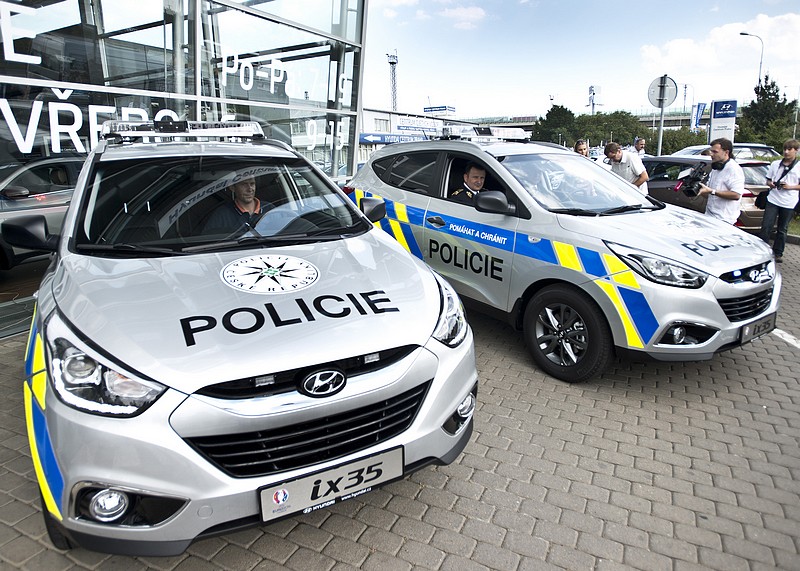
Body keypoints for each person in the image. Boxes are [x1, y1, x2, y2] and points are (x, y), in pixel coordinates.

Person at [757, 139, 799, 263]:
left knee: (782, 229)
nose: (786, 152)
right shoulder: (775, 164)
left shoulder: (798, 166)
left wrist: (790, 187)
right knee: (766, 226)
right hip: (773, 199)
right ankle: (762, 251)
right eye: (784, 149)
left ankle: (778, 253)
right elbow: (768, 180)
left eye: (789, 150)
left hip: (789, 202)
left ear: (796, 151)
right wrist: (772, 184)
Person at [697, 138, 745, 225]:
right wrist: (699, 188)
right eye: (711, 151)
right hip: (709, 216)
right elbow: (709, 195)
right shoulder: (716, 167)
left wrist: (712, 191)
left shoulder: (733, 169)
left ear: (726, 152)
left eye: (715, 152)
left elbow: (736, 195)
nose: (711, 154)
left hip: (724, 220)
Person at [204, 175, 273, 233]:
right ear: (232, 188)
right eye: (244, 184)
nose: (250, 189)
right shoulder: (222, 214)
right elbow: (207, 240)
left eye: (252, 184)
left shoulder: (269, 209)